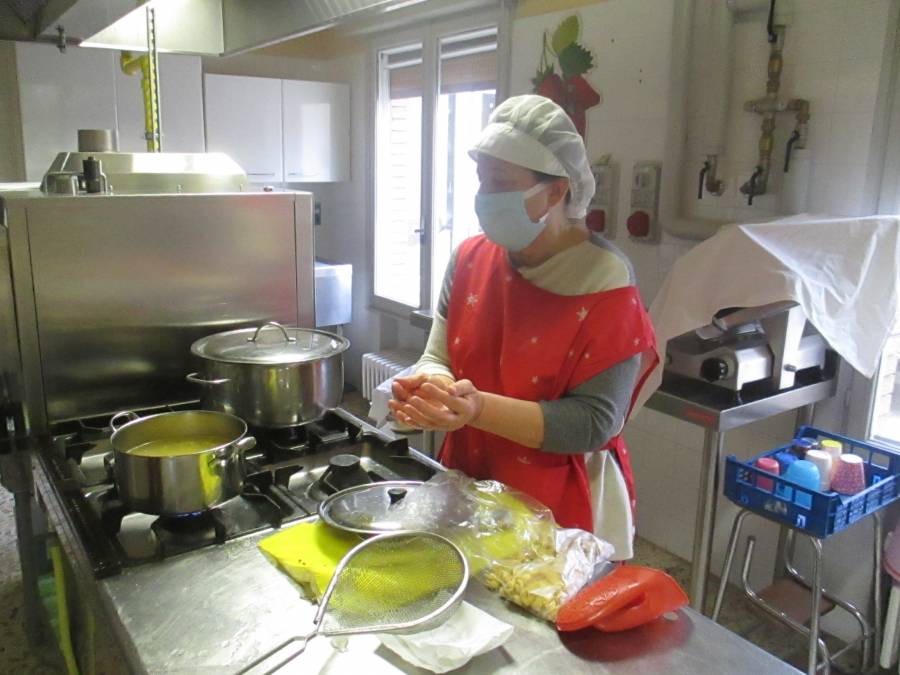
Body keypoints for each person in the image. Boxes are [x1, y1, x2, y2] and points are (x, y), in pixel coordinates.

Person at [388, 94, 657, 560]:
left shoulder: (605, 280)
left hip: (558, 503)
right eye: (482, 180)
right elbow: (438, 356)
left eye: (500, 182)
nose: (484, 196)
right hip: (471, 477)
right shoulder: (470, 258)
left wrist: (475, 409)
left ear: (555, 192)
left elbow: (595, 422)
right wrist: (435, 389)